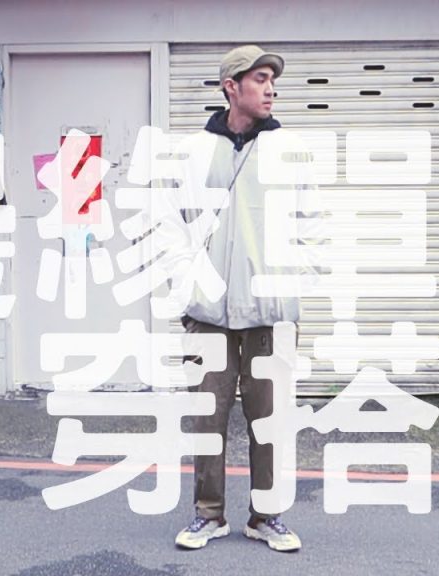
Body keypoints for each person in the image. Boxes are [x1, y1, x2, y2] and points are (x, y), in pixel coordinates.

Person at [173, 45, 305, 553]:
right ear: (231, 86)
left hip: (268, 310)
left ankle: (266, 516)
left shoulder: (288, 149)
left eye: (273, 80)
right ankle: (208, 515)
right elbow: (172, 224)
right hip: (208, 311)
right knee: (208, 417)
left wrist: (292, 292)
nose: (271, 89)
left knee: (268, 419)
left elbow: (308, 222)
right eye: (260, 79)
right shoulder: (193, 152)